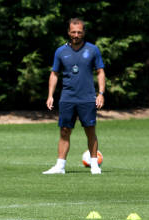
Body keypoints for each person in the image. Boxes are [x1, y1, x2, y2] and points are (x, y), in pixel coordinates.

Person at [43, 18, 106, 175]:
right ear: (68, 32)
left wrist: (101, 93)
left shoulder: (93, 50)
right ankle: (60, 166)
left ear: (84, 32)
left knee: (90, 130)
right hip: (67, 97)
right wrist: (50, 95)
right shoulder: (60, 51)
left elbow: (100, 72)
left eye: (79, 32)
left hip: (87, 97)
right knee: (64, 131)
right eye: (73, 32)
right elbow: (54, 73)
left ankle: (94, 165)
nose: (76, 35)